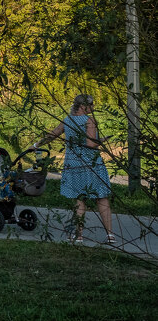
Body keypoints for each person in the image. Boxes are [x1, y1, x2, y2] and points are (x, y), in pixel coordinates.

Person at [38, 93, 115, 245]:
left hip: (73, 164)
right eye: (91, 105)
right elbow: (91, 144)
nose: (93, 107)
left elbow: (51, 135)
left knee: (79, 199)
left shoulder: (67, 120)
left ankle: (78, 236)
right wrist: (101, 140)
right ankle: (110, 235)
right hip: (91, 164)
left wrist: (36, 145)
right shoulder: (89, 120)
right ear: (82, 106)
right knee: (102, 197)